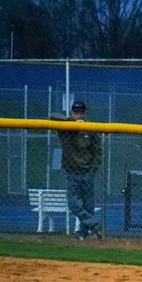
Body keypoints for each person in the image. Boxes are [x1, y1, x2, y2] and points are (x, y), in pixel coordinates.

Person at [51, 100, 103, 239]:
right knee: (74, 204)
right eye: (76, 113)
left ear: (85, 113)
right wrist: (71, 121)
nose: (79, 116)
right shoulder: (65, 128)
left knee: (88, 206)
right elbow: (52, 116)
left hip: (87, 173)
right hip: (72, 173)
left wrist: (92, 171)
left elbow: (97, 152)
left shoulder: (91, 128)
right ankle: (94, 224)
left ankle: (83, 233)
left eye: (81, 113)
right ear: (71, 113)